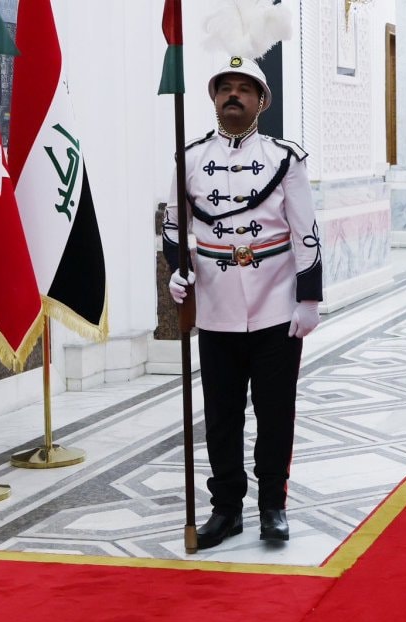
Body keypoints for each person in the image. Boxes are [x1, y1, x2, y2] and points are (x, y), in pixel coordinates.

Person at [163, 55, 323, 548]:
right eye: (225, 88)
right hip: (216, 308)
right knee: (222, 415)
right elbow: (174, 226)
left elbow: (306, 234)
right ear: (214, 98)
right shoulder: (189, 158)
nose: (234, 95)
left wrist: (308, 300)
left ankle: (273, 504)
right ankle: (226, 509)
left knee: (275, 413)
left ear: (262, 101)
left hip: (276, 306)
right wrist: (177, 271)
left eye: (245, 88)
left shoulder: (285, 159)